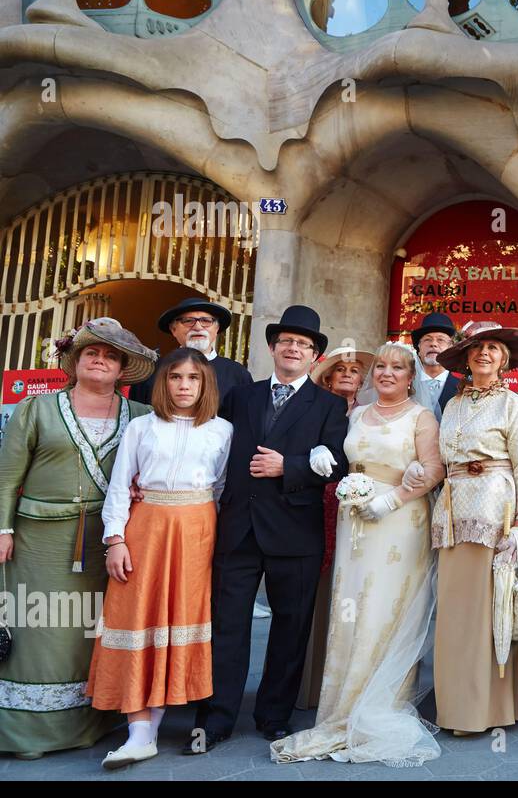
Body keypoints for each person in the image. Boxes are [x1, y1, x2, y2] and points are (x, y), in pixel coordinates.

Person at [272, 342, 445, 765]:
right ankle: (341, 707)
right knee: (351, 608)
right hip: (355, 523)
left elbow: (435, 468)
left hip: (400, 523)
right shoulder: (355, 415)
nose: (387, 374)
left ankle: (380, 705)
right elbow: (338, 459)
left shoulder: (421, 418)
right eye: (381, 367)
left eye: (397, 368)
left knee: (386, 609)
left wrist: (396, 497)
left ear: (410, 377)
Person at [191, 305, 349, 753]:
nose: (293, 348)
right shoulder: (242, 395)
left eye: (303, 344)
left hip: (294, 532)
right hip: (238, 528)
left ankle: (274, 715)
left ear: (315, 356)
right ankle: (216, 717)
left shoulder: (330, 405)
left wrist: (290, 466)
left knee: (290, 626)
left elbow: (339, 461)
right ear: (272, 349)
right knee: (227, 626)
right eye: (286, 342)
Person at [0, 318, 156, 759]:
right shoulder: (38, 408)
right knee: (41, 628)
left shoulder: (142, 417)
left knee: (94, 629)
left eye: (110, 355)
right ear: (76, 361)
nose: (100, 361)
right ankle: (29, 732)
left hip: (110, 541)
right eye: (92, 353)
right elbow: (7, 475)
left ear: (122, 368)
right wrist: (3, 528)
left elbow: (156, 469)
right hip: (39, 540)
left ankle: (97, 718)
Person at [87, 348, 233, 769]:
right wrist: (115, 538)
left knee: (178, 618)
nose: (184, 386)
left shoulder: (222, 431)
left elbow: (221, 487)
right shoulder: (141, 427)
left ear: (206, 385)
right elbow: (119, 485)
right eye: (175, 378)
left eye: (193, 378)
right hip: (145, 526)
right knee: (137, 618)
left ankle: (150, 731)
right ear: (162, 383)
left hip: (196, 530)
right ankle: (138, 731)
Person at [427, 321, 518, 735]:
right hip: (451, 512)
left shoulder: (513, 405)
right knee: (457, 613)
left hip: (495, 510)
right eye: (477, 347)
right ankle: (456, 708)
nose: (484, 354)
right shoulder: (453, 405)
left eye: (493, 349)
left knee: (491, 608)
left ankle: (491, 710)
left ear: (504, 361)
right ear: (465, 357)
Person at [296, 344, 375, 711]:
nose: (347, 373)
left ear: (362, 379)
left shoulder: (368, 414)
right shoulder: (311, 408)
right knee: (316, 585)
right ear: (327, 376)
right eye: (339, 368)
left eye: (354, 369)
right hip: (315, 503)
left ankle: (347, 682)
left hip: (357, 505)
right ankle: (310, 684)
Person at [128, 298, 252, 407]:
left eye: (206, 321)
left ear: (217, 328)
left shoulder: (238, 374)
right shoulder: (152, 371)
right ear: (173, 329)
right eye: (188, 321)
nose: (198, 327)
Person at [408, 311, 460, 421]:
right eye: (427, 339)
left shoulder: (464, 388)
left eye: (440, 340)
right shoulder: (405, 386)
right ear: (419, 348)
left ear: (450, 348)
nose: (433, 344)